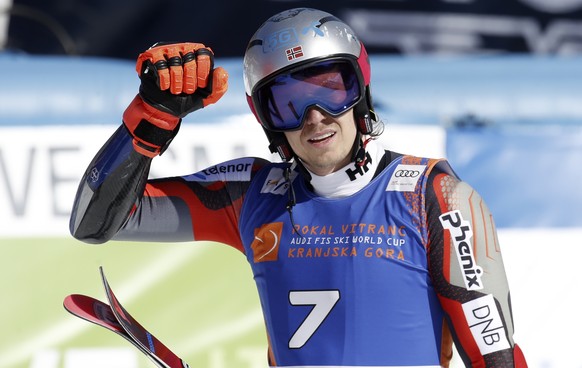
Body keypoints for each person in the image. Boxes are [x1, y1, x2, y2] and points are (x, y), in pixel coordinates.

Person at [70, 7, 527, 368]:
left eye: (330, 89)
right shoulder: (251, 196)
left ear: (360, 91)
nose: (314, 117)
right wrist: (152, 119)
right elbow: (95, 222)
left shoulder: (434, 196)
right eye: (287, 102)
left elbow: (495, 357)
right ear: (267, 120)